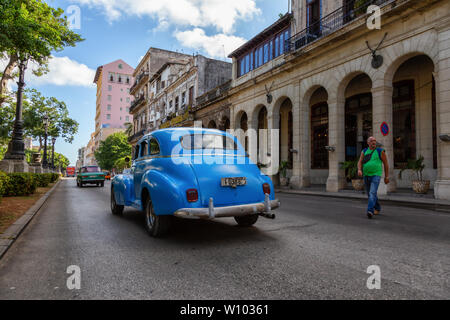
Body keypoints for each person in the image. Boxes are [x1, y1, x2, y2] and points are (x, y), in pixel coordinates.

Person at [357, 137, 390, 219]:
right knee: (370, 194)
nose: (373, 142)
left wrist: (386, 176)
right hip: (366, 175)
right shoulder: (364, 151)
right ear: (368, 143)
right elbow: (360, 161)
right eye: (371, 141)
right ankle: (377, 207)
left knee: (372, 193)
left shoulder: (380, 151)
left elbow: (386, 164)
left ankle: (370, 211)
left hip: (376, 175)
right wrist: (359, 170)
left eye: (375, 141)